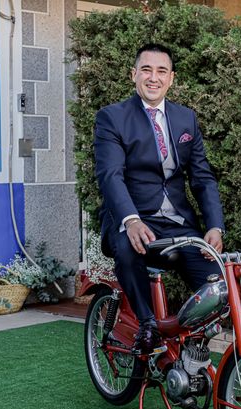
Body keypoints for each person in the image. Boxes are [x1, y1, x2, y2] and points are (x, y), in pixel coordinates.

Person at [94, 43, 226, 354]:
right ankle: (147, 324)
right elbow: (110, 175)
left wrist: (215, 227)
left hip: (179, 223)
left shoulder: (186, 119)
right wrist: (131, 220)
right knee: (128, 247)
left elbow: (202, 178)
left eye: (161, 71)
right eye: (147, 70)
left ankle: (194, 343)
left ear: (171, 79)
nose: (154, 78)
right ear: (134, 75)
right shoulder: (112, 118)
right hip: (135, 217)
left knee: (219, 285)